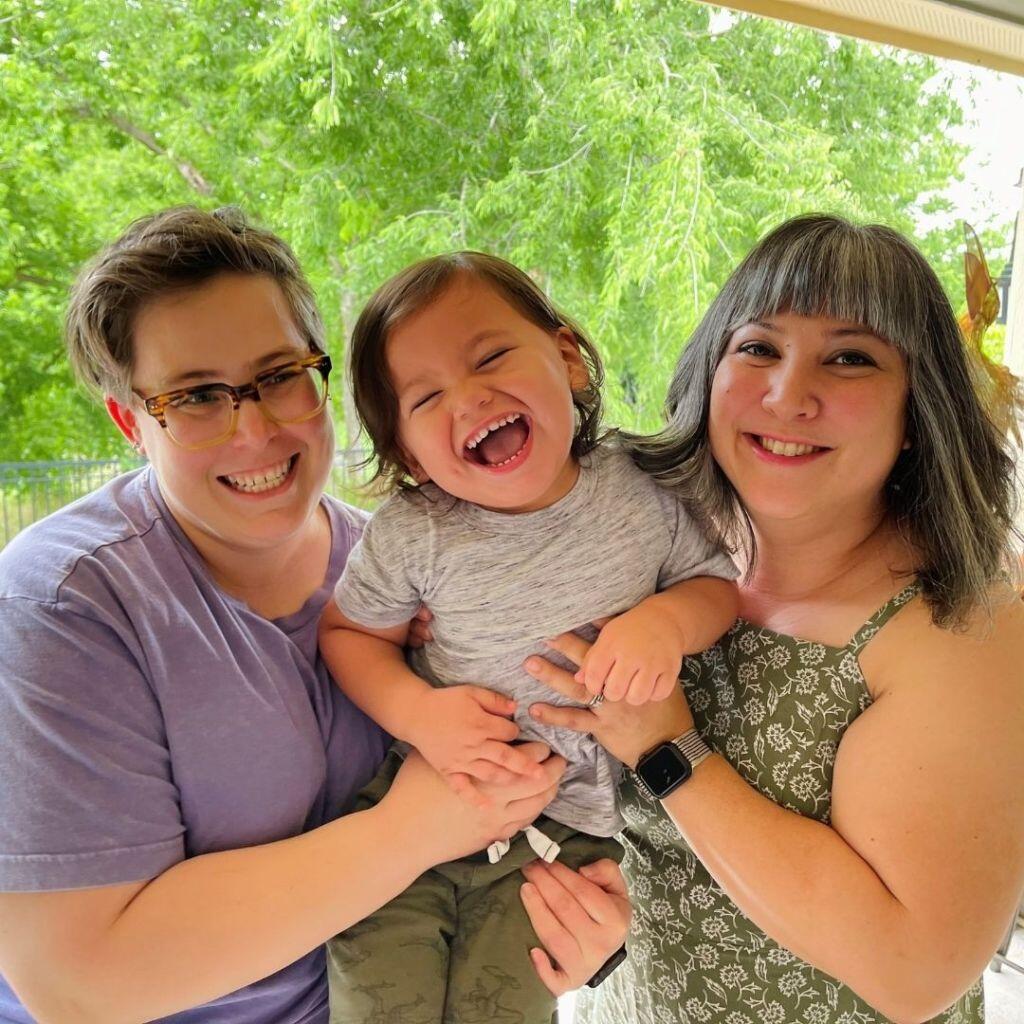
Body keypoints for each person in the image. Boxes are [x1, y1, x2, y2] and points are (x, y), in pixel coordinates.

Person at [0, 206, 629, 1024]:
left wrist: (585, 924)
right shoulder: (60, 611)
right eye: (195, 397)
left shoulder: (406, 570)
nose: (254, 428)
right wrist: (408, 831)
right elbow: (79, 985)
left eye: (278, 376)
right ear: (130, 422)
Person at [524, 214, 1024, 1024]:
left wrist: (668, 748)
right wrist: (602, 930)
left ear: (916, 411)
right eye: (758, 347)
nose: (789, 394)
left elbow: (914, 971)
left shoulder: (961, 621)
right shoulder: (652, 547)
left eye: (851, 357)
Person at [318, 251, 740, 1024]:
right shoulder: (416, 532)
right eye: (427, 396)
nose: (470, 397)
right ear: (409, 454)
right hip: (425, 810)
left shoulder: (642, 486)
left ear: (569, 359)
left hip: (571, 837)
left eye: (492, 357)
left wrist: (667, 622)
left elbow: (717, 587)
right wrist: (418, 715)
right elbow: (348, 635)